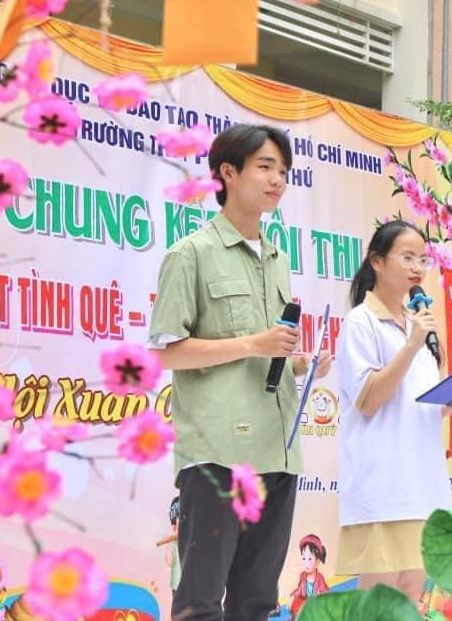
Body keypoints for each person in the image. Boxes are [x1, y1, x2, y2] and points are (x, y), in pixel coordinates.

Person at [149, 123, 331, 621]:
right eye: (265, 167)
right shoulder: (190, 255)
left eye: (284, 171)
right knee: (200, 602)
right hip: (218, 455)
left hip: (278, 451)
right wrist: (253, 344)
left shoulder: (278, 259)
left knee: (257, 602)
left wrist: (299, 363)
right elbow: (166, 352)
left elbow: (266, 353)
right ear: (227, 173)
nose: (277, 180)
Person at [335, 220, 452, 601]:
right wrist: (411, 344)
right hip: (383, 486)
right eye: (407, 257)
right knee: (380, 601)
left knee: (409, 595)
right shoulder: (361, 321)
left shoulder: (416, 326)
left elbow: (415, 407)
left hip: (422, 483)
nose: (418, 267)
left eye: (422, 259)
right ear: (377, 261)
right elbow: (369, 400)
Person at [289, 534, 330, 619]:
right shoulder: (302, 576)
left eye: (310, 559)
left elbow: (324, 593)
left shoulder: (319, 578)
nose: (306, 563)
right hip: (304, 603)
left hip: (315, 604)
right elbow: (299, 590)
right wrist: (292, 598)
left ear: (317, 562)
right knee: (294, 607)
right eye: (304, 559)